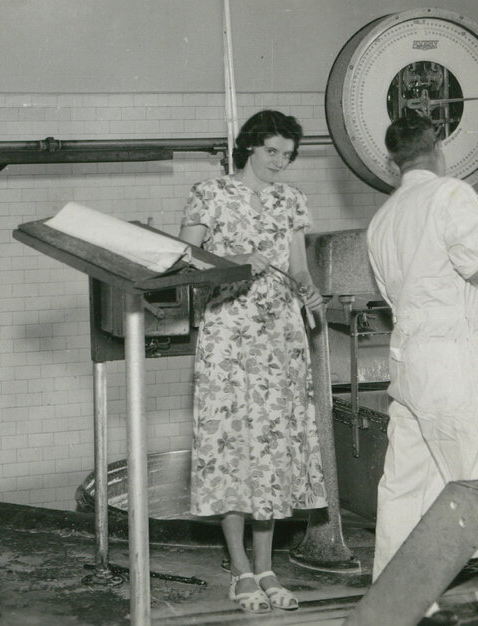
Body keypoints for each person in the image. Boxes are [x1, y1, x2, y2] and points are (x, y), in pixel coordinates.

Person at [179, 110, 327, 614]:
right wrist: (236, 263)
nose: (279, 163)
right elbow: (183, 259)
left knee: (272, 446)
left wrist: (311, 294)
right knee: (232, 446)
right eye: (271, 152)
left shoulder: (291, 200)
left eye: (287, 155)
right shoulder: (210, 193)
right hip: (228, 335)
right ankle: (239, 569)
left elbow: (299, 267)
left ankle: (266, 568)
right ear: (249, 147)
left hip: (280, 336)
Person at [366, 115, 478, 581]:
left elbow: (391, 295)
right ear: (436, 147)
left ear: (394, 162)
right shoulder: (450, 194)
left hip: (408, 364)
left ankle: (393, 597)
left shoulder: (383, 218)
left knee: (406, 486)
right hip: (454, 364)